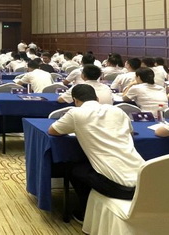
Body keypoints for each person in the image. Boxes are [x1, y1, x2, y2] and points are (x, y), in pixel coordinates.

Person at [48, 84, 144, 220]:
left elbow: (53, 131)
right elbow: (131, 133)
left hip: (119, 188)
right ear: (97, 98)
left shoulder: (76, 113)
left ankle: (85, 213)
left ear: (75, 100)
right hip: (144, 181)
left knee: (73, 169)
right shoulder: (117, 110)